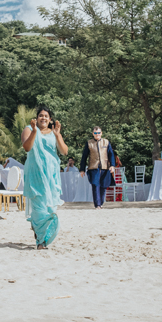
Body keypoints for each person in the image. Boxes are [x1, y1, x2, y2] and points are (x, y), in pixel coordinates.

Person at [21, 106, 68, 249]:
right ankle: (41, 241)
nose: (43, 118)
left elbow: (64, 151)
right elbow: (27, 148)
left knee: (50, 209)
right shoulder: (29, 129)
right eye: (41, 115)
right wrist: (35, 131)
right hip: (35, 174)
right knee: (39, 208)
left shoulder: (54, 133)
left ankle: (40, 232)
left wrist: (58, 134)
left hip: (51, 176)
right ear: (37, 118)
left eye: (46, 116)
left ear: (50, 119)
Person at [79, 126, 116, 209]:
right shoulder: (89, 143)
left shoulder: (106, 142)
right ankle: (97, 205)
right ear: (93, 134)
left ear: (101, 133)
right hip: (93, 167)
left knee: (103, 185)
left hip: (105, 166)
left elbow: (111, 154)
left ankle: (101, 202)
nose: (97, 134)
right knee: (95, 185)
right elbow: (84, 156)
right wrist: (82, 169)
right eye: (95, 133)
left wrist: (112, 165)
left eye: (98, 133)